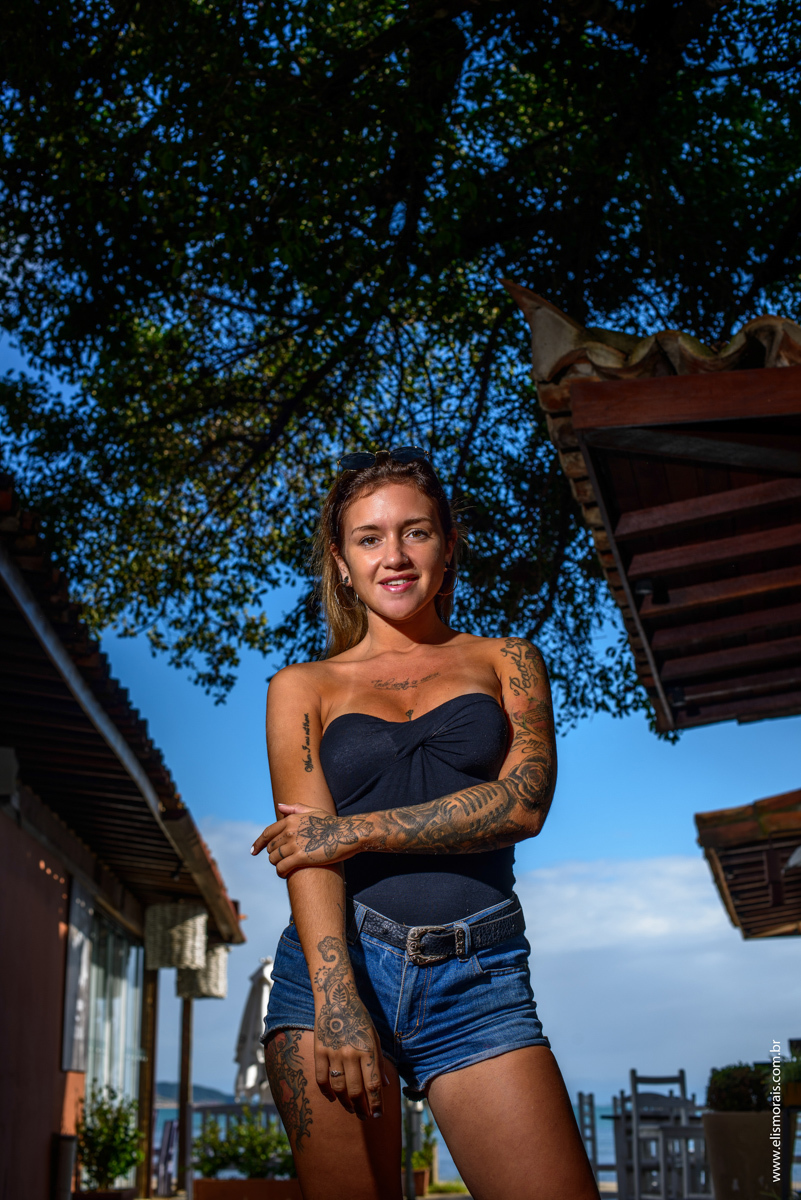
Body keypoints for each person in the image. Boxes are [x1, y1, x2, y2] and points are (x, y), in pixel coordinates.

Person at [251, 447, 599, 1200]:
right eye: (369, 538)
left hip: (479, 978)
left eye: (415, 532)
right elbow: (304, 856)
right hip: (334, 975)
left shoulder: (507, 660)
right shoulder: (298, 688)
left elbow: (523, 803)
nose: (394, 556)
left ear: (448, 544)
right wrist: (337, 998)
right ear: (341, 562)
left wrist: (354, 830)